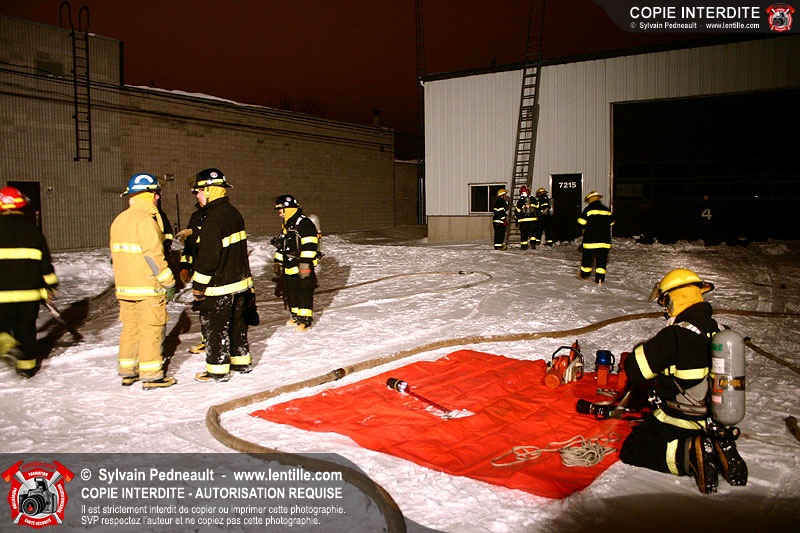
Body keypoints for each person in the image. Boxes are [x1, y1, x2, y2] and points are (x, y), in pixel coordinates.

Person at [619, 268, 747, 494]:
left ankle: (688, 455)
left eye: (665, 302)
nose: (665, 310)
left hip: (678, 421)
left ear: (672, 299)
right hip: (714, 421)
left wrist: (644, 350)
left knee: (633, 449)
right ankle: (718, 446)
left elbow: (636, 370)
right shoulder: (723, 332)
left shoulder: (675, 335)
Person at [110, 173, 177, 389]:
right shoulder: (146, 220)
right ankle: (152, 376)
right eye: (155, 192)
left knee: (130, 330)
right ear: (146, 194)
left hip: (125, 288)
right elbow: (153, 257)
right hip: (147, 288)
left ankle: (128, 372)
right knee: (151, 330)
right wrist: (168, 282)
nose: (158, 196)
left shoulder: (120, 220)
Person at [190, 168, 254, 382]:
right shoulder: (233, 213)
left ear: (209, 190)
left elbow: (208, 258)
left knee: (216, 329)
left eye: (199, 191)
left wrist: (198, 285)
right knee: (237, 325)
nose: (197, 195)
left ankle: (217, 371)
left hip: (219, 287)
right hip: (240, 284)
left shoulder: (212, 218)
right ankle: (241, 362)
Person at [0, 186, 59, 378]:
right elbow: (45, 264)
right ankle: (27, 369)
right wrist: (50, 286)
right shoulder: (33, 231)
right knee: (26, 330)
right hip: (30, 294)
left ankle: (6, 345)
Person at [273, 194, 320, 331]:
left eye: (281, 210)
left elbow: (310, 245)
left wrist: (304, 264)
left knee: (304, 291)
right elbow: (283, 246)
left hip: (303, 265)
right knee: (291, 292)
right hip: (289, 265)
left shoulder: (304, 224)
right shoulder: (287, 225)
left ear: (288, 209)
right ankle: (296, 316)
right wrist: (277, 261)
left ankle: (305, 321)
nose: (279, 213)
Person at [577, 191, 614, 285]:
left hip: (590, 239)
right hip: (604, 240)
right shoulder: (606, 210)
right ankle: (600, 279)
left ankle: (584, 276)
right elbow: (612, 222)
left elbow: (581, 222)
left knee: (587, 259)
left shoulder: (588, 209)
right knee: (601, 260)